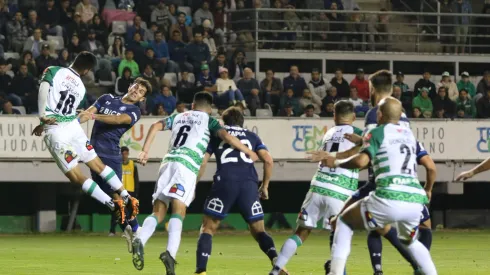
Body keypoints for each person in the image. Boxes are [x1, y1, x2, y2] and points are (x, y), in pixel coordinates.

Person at [310, 71, 433, 275]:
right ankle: (423, 270)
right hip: (413, 191)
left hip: (384, 187)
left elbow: (363, 158)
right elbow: (429, 165)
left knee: (341, 220)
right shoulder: (410, 134)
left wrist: (335, 160)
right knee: (413, 236)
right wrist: (428, 189)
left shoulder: (375, 121)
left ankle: (337, 270)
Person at [131, 92, 258, 272]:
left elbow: (155, 125)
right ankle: (170, 253)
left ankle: (140, 239)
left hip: (167, 163)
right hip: (187, 166)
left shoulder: (179, 116)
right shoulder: (210, 120)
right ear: (210, 107)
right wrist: (248, 151)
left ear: (193, 105)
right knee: (179, 211)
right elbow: (227, 137)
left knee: (158, 211)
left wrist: (145, 151)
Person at [30, 52, 133, 228]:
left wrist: (42, 118)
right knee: (98, 165)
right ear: (86, 70)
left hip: (56, 129)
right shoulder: (81, 88)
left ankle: (111, 204)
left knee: (77, 176)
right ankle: (126, 197)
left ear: (74, 60)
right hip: (72, 126)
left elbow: (43, 89)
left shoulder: (54, 70)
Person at [270, 101, 361, 275]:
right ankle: (337, 271)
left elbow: (323, 157)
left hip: (318, 186)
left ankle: (276, 270)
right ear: (354, 117)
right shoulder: (357, 133)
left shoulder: (329, 134)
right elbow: (367, 148)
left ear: (334, 116)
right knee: (340, 235)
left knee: (301, 232)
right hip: (340, 190)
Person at [196, 107, 287, 275]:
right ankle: (277, 261)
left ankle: (201, 271)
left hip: (225, 181)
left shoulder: (218, 134)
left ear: (224, 121)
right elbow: (268, 160)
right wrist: (265, 186)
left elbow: (203, 162)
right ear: (242, 122)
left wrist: (194, 184)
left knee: (208, 228)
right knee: (259, 230)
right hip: (249, 184)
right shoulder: (252, 136)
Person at [78, 77, 152, 251]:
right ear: (129, 86)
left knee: (117, 197)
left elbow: (118, 120)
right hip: (92, 153)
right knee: (110, 200)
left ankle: (135, 229)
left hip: (110, 155)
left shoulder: (135, 111)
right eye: (136, 87)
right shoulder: (106, 98)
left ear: (142, 99)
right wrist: (73, 123)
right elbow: (86, 114)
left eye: (141, 92)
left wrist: (93, 115)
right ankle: (128, 229)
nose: (136, 91)